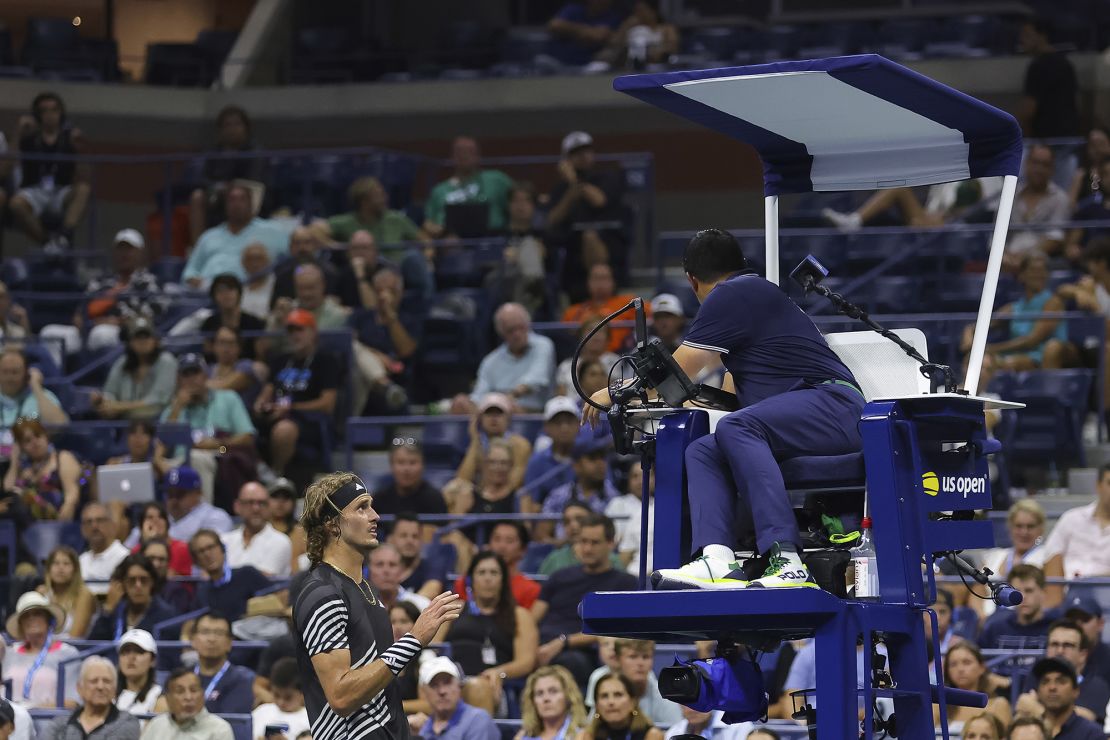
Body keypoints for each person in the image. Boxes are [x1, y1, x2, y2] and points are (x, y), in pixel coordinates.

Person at [587, 229, 864, 590]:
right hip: (809, 417)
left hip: (836, 406)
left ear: (692, 280)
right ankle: (717, 558)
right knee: (704, 449)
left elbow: (680, 368)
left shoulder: (733, 292)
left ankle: (787, 558)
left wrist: (615, 391)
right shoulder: (751, 304)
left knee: (736, 428)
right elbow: (707, 392)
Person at [292, 471, 463, 738]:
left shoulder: (366, 589)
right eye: (361, 508)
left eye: (371, 506)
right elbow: (340, 696)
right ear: (332, 523)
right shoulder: (322, 593)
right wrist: (414, 640)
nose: (375, 516)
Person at [532, 513, 636, 686]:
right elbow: (531, 618)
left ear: (611, 543)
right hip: (543, 645)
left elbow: (611, 630)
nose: (587, 549)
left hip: (583, 651)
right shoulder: (559, 577)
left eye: (594, 543)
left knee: (570, 662)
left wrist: (563, 642)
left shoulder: (625, 583)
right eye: (583, 541)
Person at [39, 228, 165, 366]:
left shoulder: (149, 282)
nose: (124, 254)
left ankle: (99, 379)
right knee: (50, 333)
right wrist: (80, 319)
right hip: (87, 330)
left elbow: (149, 317)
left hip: (123, 334)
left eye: (129, 249)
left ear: (141, 253)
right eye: (120, 249)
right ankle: (56, 382)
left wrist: (118, 322)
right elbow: (80, 311)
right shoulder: (100, 281)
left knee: (100, 334)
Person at [436, 552, 538, 712]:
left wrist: (499, 672)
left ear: (503, 580)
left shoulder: (520, 615)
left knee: (479, 688)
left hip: (493, 686)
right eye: (481, 572)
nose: (487, 578)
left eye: (494, 573)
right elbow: (434, 647)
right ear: (471, 580)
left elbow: (526, 661)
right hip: (448, 681)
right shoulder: (453, 609)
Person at [962, 252, 1073, 385]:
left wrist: (988, 349)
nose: (1039, 274)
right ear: (1022, 276)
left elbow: (1032, 340)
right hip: (1016, 356)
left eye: (1042, 270)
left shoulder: (1054, 302)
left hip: (1042, 356)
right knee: (973, 360)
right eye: (1033, 270)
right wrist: (968, 331)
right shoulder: (1014, 307)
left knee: (1002, 362)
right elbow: (983, 324)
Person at [162, 352, 257, 506]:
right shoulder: (174, 408)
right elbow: (162, 442)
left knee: (197, 458)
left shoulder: (227, 398)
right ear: (179, 380)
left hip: (218, 455)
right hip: (179, 461)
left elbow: (247, 437)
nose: (191, 379)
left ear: (206, 375)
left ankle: (203, 513)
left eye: (196, 372)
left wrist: (219, 444)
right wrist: (178, 407)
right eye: (186, 374)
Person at [254, 308, 339, 475]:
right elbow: (267, 391)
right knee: (244, 429)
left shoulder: (325, 361)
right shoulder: (280, 360)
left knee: (284, 430)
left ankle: (276, 474)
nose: (295, 335)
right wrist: (261, 405)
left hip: (308, 420)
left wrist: (291, 408)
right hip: (276, 413)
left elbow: (328, 404)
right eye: (291, 331)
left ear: (313, 332)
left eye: (300, 330)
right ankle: (256, 472)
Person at [547, 132, 627, 301]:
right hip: (572, 248)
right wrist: (570, 191)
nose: (583, 156)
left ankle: (601, 293)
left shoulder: (607, 177)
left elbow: (599, 200)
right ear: (567, 159)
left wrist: (575, 181)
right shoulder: (562, 188)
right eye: (577, 153)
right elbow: (552, 219)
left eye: (587, 151)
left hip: (608, 241)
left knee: (589, 236)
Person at [10, 92, 90, 251]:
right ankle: (47, 243)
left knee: (83, 189)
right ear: (37, 115)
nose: (50, 115)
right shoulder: (29, 138)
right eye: (44, 111)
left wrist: (80, 149)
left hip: (60, 190)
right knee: (16, 204)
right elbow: (7, 164)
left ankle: (63, 238)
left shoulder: (69, 138)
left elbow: (85, 174)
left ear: (61, 113)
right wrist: (18, 133)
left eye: (54, 110)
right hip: (34, 190)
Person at [453, 302, 556, 415]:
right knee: (460, 403)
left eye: (521, 328)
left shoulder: (544, 345)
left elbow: (536, 379)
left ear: (528, 325)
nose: (517, 334)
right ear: (501, 333)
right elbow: (479, 395)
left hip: (534, 414)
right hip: (496, 412)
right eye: (511, 330)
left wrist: (507, 399)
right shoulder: (490, 361)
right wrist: (467, 403)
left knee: (507, 410)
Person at [184, 182, 290, 288]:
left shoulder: (273, 231)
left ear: (252, 204)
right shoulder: (209, 236)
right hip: (207, 293)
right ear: (225, 205)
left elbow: (292, 260)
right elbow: (190, 271)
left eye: (242, 199)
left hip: (251, 293)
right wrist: (193, 280)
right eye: (232, 200)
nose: (237, 204)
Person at [189, 104, 268, 245]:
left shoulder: (254, 152)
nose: (232, 129)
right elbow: (205, 179)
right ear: (220, 130)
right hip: (219, 197)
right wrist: (218, 188)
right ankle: (199, 246)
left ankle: (248, 241)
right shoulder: (214, 153)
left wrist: (231, 187)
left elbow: (254, 181)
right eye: (227, 125)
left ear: (246, 128)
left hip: (248, 196)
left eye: (237, 124)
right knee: (197, 197)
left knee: (239, 195)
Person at [1018, 619, 1110, 724]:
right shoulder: (1036, 677)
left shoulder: (1097, 685)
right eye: (1054, 644)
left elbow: (1086, 719)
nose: (1060, 651)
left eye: (1068, 645)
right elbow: (1023, 705)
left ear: (1082, 655)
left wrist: (1039, 710)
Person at [422, 136, 513, 238]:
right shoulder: (439, 190)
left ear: (478, 156)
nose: (464, 155)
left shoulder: (497, 180)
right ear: (452, 156)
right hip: (450, 243)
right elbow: (427, 222)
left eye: (469, 151)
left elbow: (521, 203)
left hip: (493, 238)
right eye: (459, 151)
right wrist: (441, 232)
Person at [3, 591, 80, 707]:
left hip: (51, 722)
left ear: (49, 620)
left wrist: (32, 707)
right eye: (26, 616)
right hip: (12, 722)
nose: (31, 619)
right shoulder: (9, 653)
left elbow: (73, 702)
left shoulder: (68, 653)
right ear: (20, 624)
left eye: (37, 614)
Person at [975, 499, 1047, 622]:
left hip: (1023, 622)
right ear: (1010, 528)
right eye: (1019, 526)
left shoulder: (1047, 557)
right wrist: (981, 617)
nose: (1024, 532)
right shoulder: (994, 555)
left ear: (1040, 529)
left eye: (1030, 526)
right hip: (987, 622)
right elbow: (976, 591)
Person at [93, 317, 178, 420]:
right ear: (130, 342)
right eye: (138, 337)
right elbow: (110, 392)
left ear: (155, 340)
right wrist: (103, 402)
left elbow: (157, 403)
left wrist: (118, 407)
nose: (142, 341)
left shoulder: (166, 361)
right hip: (126, 426)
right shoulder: (122, 362)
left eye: (146, 336)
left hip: (158, 423)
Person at [538, 437, 620, 543]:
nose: (600, 464)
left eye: (602, 458)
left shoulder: (614, 498)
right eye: (593, 458)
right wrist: (561, 544)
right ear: (576, 466)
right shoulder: (559, 496)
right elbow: (541, 536)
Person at [585, 639, 681, 726]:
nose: (640, 663)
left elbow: (676, 730)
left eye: (646, 657)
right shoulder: (604, 684)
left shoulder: (663, 696)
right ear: (618, 660)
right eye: (633, 656)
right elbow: (591, 728)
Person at [1004, 145, 1071, 268]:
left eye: (1045, 165)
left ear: (1052, 169)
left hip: (1041, 262)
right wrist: (1004, 257)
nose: (1039, 169)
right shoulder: (1009, 195)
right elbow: (995, 233)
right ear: (1026, 164)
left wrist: (1025, 258)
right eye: (1035, 163)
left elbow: (1055, 238)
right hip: (1007, 260)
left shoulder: (1059, 198)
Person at [3, 416, 82, 521]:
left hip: (59, 520)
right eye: (27, 441)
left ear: (46, 436)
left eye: (38, 435)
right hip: (28, 524)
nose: (35, 443)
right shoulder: (22, 467)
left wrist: (61, 523)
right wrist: (14, 460)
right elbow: (8, 490)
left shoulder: (62, 458)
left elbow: (72, 496)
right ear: (21, 446)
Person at [42, 656, 140, 739]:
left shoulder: (127, 723)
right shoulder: (60, 725)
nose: (100, 687)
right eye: (94, 681)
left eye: (107, 681)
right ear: (80, 688)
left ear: (114, 689)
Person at [1042, 464, 1110, 584]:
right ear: (1098, 485)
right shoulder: (1071, 518)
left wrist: (1091, 580)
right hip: (1064, 590)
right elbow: (1050, 556)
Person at [319, 175, 425, 252]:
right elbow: (313, 231)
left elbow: (425, 240)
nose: (385, 199)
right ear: (364, 202)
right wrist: (334, 245)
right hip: (362, 270)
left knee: (413, 258)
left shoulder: (396, 219)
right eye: (379, 196)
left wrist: (428, 256)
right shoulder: (346, 221)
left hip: (396, 272)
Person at [453, 392, 533, 493]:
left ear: (507, 418)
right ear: (480, 418)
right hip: (481, 496)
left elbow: (515, 483)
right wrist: (474, 441)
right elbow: (461, 481)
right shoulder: (477, 444)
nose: (493, 418)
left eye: (499, 413)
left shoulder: (520, 445)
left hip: (508, 498)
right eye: (489, 413)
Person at [453, 520, 542, 609]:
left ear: (523, 550)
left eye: (509, 540)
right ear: (489, 544)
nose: (502, 546)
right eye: (497, 539)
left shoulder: (531, 590)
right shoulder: (465, 583)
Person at [189, 529, 273, 624]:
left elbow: (276, 600)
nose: (207, 554)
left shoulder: (247, 574)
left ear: (222, 548)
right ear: (196, 561)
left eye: (211, 547)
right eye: (201, 551)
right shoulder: (202, 592)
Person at [87, 554, 176, 642]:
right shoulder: (115, 612)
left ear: (152, 582)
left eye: (144, 580)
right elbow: (91, 647)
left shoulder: (167, 617)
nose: (138, 586)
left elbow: (166, 654)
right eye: (131, 580)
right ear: (123, 584)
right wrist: (108, 609)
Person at [409, 657, 499, 740]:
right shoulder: (422, 729)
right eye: (434, 685)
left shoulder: (477, 720)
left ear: (459, 685)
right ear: (425, 692)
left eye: (447, 682)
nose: (442, 691)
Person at [371, 441, 447, 538]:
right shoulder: (379, 500)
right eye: (401, 462)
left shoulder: (435, 499)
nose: (406, 469)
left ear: (422, 466)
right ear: (391, 466)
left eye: (412, 463)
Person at [1019, 18, 1080, 138]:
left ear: (1042, 36)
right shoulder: (1065, 63)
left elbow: (1029, 109)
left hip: (1045, 137)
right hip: (1068, 134)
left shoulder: (1038, 66)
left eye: (1027, 35)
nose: (1022, 40)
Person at [1016, 657, 1103, 740]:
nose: (1052, 687)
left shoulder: (1091, 734)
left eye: (1061, 681)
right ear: (1038, 691)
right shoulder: (1024, 732)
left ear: (1076, 691)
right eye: (1045, 682)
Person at [562, 265, 642, 353]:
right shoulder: (573, 312)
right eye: (596, 278)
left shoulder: (628, 304)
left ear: (613, 282)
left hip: (620, 356)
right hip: (583, 358)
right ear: (588, 283)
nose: (600, 283)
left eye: (604, 278)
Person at [187, 611, 256, 714]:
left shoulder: (243, 679)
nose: (211, 639)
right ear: (193, 640)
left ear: (229, 642)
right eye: (205, 632)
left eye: (219, 633)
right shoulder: (181, 676)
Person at [934, 642, 1011, 732]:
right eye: (953, 664)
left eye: (966, 663)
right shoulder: (938, 706)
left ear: (981, 668)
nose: (960, 669)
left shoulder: (998, 705)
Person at [979, 565, 1059, 650]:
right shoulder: (995, 629)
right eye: (1017, 591)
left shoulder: (1056, 630)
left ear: (1043, 592)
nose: (1023, 597)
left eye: (1029, 591)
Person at [222, 481, 293, 577]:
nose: (256, 508)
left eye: (262, 503)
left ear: (269, 507)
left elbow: (260, 582)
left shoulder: (281, 541)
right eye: (250, 502)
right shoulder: (224, 540)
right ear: (237, 506)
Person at [523, 397, 582, 508]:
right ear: (546, 427)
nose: (564, 428)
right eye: (558, 423)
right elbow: (531, 500)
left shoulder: (589, 456)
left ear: (578, 424)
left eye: (569, 422)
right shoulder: (537, 462)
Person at [142, 667, 234, 739]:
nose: (188, 697)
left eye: (194, 690)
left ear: (202, 695)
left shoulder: (220, 729)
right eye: (180, 691)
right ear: (168, 699)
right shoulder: (157, 725)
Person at [539, 501, 623, 576]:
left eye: (579, 519)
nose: (573, 525)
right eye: (567, 521)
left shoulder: (612, 560)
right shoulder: (554, 560)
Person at [0, 349, 68, 439]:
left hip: (30, 451)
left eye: (15, 372)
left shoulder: (42, 396)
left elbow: (59, 426)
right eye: (5, 372)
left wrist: (36, 385)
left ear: (26, 374)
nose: (9, 377)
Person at [199, 272, 268, 361]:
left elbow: (261, 357)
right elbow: (208, 355)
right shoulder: (209, 323)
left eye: (230, 289)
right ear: (214, 296)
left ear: (239, 293)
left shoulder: (254, 322)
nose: (226, 295)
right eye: (220, 291)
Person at [578, 671, 663, 740]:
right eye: (604, 696)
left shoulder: (652, 736)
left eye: (618, 695)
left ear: (633, 702)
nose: (611, 702)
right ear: (597, 705)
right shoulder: (586, 737)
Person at [595, 0, 679, 70]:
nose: (639, 14)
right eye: (636, 11)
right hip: (630, 65)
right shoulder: (632, 28)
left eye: (642, 10)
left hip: (657, 65)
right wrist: (626, 27)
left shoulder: (666, 28)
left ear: (653, 12)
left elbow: (673, 47)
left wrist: (654, 51)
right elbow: (614, 44)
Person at [161, 465, 234, 542]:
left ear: (198, 493)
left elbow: (211, 549)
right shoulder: (160, 518)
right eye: (170, 494)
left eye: (179, 494)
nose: (174, 500)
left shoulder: (216, 517)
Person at [516, 665, 589, 740]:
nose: (546, 698)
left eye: (553, 691)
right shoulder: (523, 736)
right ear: (533, 701)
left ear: (568, 696)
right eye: (539, 693)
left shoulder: (582, 735)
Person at [121, 502, 193, 576]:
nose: (156, 520)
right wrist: (148, 541)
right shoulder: (136, 551)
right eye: (149, 517)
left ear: (167, 523)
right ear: (141, 526)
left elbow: (169, 577)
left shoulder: (182, 548)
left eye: (160, 517)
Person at [37, 546, 95, 637]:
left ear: (75, 570)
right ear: (48, 569)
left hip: (74, 649)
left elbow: (76, 636)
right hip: (43, 647)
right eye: (56, 563)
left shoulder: (84, 594)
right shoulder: (41, 593)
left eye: (66, 564)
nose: (61, 568)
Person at [547, 0, 627, 66]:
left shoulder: (613, 17)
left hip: (587, 65)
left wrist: (600, 35)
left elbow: (603, 37)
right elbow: (554, 25)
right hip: (558, 62)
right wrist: (583, 30)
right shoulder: (574, 9)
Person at [609, 464, 654, 576]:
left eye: (647, 475)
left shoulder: (661, 506)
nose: (641, 481)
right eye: (635, 476)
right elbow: (613, 540)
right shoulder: (617, 504)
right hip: (624, 559)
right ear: (628, 480)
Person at [555, 318, 618, 397]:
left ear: (608, 339)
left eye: (601, 331)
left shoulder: (616, 362)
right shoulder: (566, 365)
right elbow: (561, 398)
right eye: (590, 329)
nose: (596, 335)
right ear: (581, 336)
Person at [252, 658, 310, 740]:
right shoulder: (261, 712)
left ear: (302, 693)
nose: (281, 702)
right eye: (276, 695)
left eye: (288, 697)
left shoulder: (309, 719)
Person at [390, 512, 443, 599]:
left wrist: (401, 609)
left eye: (415, 536)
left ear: (421, 540)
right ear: (391, 539)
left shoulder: (431, 568)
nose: (410, 541)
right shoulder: (381, 568)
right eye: (403, 536)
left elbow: (433, 589)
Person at [1062, 594, 1110, 686]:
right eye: (1072, 620)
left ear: (1100, 624)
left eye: (1085, 619)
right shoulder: (1054, 656)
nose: (1077, 625)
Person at [104, 419, 172, 482]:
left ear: (151, 440)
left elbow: (174, 480)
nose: (138, 438)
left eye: (144, 433)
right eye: (133, 432)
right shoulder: (115, 464)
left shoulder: (158, 466)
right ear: (127, 439)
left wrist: (158, 459)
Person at [114, 629, 161, 716]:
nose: (131, 657)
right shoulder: (108, 695)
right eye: (126, 652)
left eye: (139, 651)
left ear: (153, 660)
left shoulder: (159, 697)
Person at [662, 706, 748, 740]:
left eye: (697, 702)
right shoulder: (674, 732)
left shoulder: (738, 727)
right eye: (686, 703)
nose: (691, 710)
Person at [241, 242, 275, 319]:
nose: (254, 264)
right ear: (243, 263)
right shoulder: (239, 287)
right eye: (250, 259)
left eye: (259, 259)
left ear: (268, 261)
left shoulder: (278, 284)